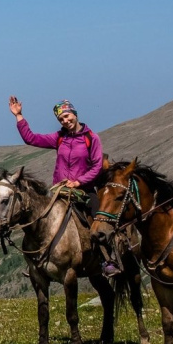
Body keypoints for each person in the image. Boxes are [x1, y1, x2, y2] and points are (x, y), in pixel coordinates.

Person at [9, 94, 112, 267]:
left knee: (99, 221)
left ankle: (109, 259)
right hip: (59, 190)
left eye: (67, 116)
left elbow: (97, 166)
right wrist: (19, 116)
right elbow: (31, 138)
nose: (65, 120)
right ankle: (39, 261)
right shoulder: (59, 138)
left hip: (84, 190)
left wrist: (79, 182)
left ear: (75, 114)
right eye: (60, 118)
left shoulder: (91, 138)